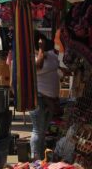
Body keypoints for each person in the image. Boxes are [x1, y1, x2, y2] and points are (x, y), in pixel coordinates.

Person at [30, 31, 60, 160]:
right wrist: (41, 50)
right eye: (40, 42)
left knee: (43, 132)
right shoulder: (32, 57)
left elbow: (58, 66)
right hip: (39, 97)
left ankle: (41, 158)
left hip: (51, 99)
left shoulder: (52, 54)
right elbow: (38, 67)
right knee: (38, 130)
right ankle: (35, 158)